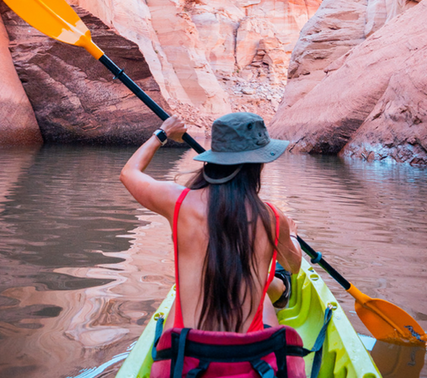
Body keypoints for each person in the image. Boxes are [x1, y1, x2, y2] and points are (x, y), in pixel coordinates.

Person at [120, 111, 302, 333]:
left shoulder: (178, 201)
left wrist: (163, 133)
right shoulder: (273, 217)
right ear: (258, 164)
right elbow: (294, 266)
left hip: (186, 354)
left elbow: (129, 173)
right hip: (247, 355)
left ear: (214, 158)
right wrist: (291, 235)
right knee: (267, 292)